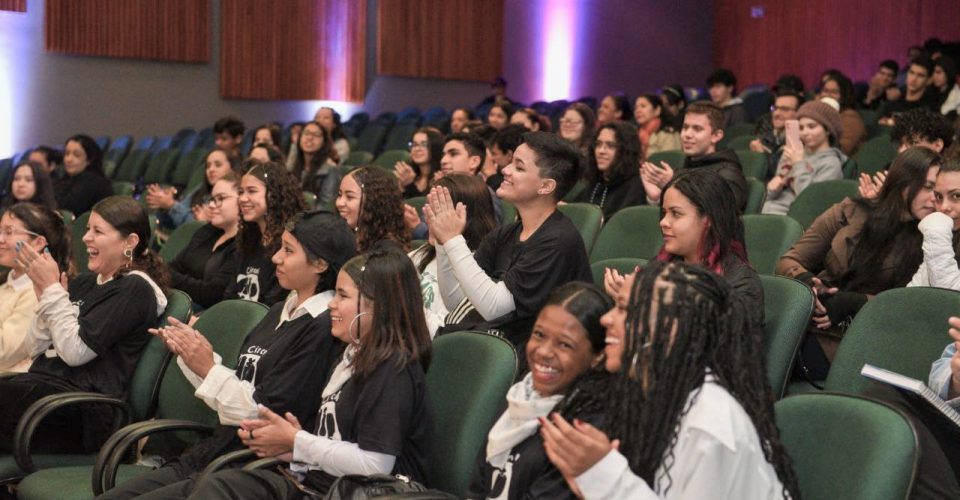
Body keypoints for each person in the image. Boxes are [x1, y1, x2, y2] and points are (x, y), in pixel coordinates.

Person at [96, 210, 357, 500]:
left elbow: (263, 416)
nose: (275, 259)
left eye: (288, 251)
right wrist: (192, 356)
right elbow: (236, 389)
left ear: (320, 263)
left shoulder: (321, 330)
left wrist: (208, 368)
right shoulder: (276, 313)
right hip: (212, 454)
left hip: (248, 471)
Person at [187, 249, 433, 498]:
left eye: (343, 296)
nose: (331, 304)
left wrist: (299, 442)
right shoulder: (351, 355)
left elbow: (375, 465)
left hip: (355, 493)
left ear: (378, 306)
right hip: (315, 486)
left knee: (220, 489)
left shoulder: (393, 368)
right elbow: (334, 445)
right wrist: (294, 451)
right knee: (221, 484)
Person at [541, 261, 799, 499]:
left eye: (623, 309)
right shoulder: (649, 392)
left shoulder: (711, 426)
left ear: (671, 330)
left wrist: (605, 475)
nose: (606, 319)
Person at [0, 196, 168, 454]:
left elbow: (76, 352)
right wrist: (44, 296)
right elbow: (36, 348)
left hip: (84, 412)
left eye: (97, 231)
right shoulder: (84, 283)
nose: (86, 238)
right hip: (44, 393)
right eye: (88, 229)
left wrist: (53, 291)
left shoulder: (135, 288)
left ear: (129, 242)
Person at [776, 147, 941, 377]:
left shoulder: (934, 238)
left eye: (939, 191)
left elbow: (916, 306)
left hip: (860, 339)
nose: (935, 198)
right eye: (928, 187)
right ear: (903, 182)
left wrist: (856, 302)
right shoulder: (850, 210)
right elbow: (790, 259)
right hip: (808, 318)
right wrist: (808, 283)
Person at [426, 131, 592, 354]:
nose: (505, 170)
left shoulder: (557, 241)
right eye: (511, 162)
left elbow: (495, 308)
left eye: (519, 167)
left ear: (546, 186)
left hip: (526, 358)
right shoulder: (506, 233)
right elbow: (456, 300)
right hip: (491, 345)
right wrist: (442, 242)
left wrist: (453, 240)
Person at [467, 282, 612, 499]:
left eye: (564, 345)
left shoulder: (586, 428)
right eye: (539, 335)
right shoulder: (520, 396)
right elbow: (477, 487)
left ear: (597, 356)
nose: (543, 351)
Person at [410, 174, 496, 336]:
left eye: (439, 211)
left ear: (466, 217)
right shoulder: (420, 254)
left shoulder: (479, 272)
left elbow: (448, 333)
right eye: (428, 207)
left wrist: (402, 309)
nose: (427, 216)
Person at [0, 203, 71, 372]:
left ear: (38, 243)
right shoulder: (7, 283)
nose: (0, 239)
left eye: (9, 232)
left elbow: (3, 354)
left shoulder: (36, 292)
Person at [224, 160, 306, 306]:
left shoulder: (290, 245)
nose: (242, 198)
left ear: (274, 194)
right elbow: (229, 295)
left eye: (252, 191)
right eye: (241, 192)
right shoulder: (247, 240)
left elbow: (273, 305)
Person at [640, 102, 748, 212]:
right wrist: (656, 199)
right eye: (685, 127)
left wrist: (676, 185)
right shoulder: (686, 167)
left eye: (697, 129)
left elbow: (725, 212)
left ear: (716, 136)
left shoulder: (728, 172)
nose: (687, 134)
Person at [166, 173, 241, 310]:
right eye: (212, 199)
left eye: (221, 198)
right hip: (180, 304)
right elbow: (173, 267)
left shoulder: (244, 244)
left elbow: (212, 294)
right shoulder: (207, 231)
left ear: (242, 200)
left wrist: (172, 277)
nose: (212, 205)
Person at [763, 100, 846, 215]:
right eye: (801, 128)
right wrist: (772, 189)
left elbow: (810, 201)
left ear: (827, 130)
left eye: (812, 127)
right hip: (770, 211)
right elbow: (771, 194)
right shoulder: (793, 153)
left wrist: (798, 163)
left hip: (794, 220)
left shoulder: (831, 163)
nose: (805, 132)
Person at [148, 148, 242, 230]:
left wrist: (172, 205)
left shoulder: (233, 195)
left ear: (232, 168)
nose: (211, 169)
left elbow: (193, 226)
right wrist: (164, 206)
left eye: (218, 165)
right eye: (208, 166)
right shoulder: (199, 190)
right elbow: (174, 225)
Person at [573, 122, 645, 219]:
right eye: (598, 144)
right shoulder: (596, 183)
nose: (601, 151)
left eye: (610, 146)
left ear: (625, 151)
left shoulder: (635, 185)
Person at [908, 159, 960, 288]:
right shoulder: (948, 236)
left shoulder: (938, 230)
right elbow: (913, 293)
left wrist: (937, 232)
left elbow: (947, 299)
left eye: (957, 196)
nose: (943, 207)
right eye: (939, 197)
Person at [335, 166, 410, 253]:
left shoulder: (387, 252)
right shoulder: (341, 238)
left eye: (350, 197)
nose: (339, 203)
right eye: (339, 195)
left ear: (373, 201)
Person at [53, 134, 113, 216]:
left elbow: (66, 208)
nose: (69, 159)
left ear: (89, 159)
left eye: (77, 155)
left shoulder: (93, 181)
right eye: (67, 154)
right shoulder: (67, 178)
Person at [751, 90, 804, 180]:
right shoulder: (764, 139)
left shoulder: (802, 141)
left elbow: (782, 176)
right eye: (775, 108)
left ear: (799, 113)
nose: (776, 113)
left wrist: (762, 157)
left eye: (784, 109)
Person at [289, 121, 341, 208]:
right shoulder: (296, 166)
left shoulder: (330, 170)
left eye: (316, 135)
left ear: (324, 142)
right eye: (306, 133)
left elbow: (326, 207)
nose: (309, 137)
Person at [880, 56, 940, 125]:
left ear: (929, 80)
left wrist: (892, 122)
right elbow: (880, 122)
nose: (914, 79)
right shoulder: (894, 101)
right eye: (911, 72)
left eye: (920, 75)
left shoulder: (929, 108)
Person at [818, 71, 866, 157]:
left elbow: (842, 150)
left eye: (834, 92)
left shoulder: (851, 118)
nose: (828, 95)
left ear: (844, 96)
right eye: (825, 91)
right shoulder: (817, 115)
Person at [395, 127, 444, 198]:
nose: (417, 149)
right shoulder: (408, 175)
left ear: (435, 148)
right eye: (414, 144)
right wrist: (402, 186)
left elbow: (422, 206)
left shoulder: (440, 177)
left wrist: (409, 185)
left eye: (424, 144)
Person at [633, 94, 680, 159]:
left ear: (657, 110)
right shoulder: (635, 133)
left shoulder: (668, 133)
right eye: (636, 108)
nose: (638, 110)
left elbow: (671, 160)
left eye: (643, 106)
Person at [486, 125, 527, 191]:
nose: (491, 158)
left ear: (509, 155)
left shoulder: (521, 181)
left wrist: (490, 174)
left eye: (494, 154)